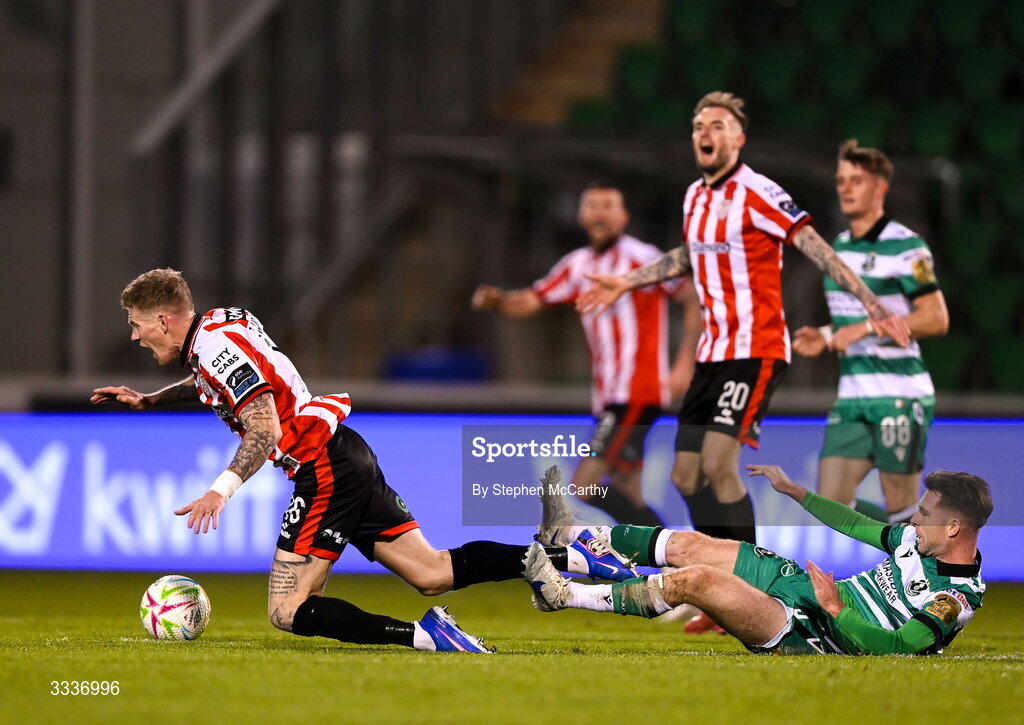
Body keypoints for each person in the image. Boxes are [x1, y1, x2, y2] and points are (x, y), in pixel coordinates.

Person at [91, 269, 638, 653]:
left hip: (322, 464)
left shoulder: (213, 348)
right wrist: (150, 399)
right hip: (345, 453)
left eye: (138, 324)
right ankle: (555, 557)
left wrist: (221, 489)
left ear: (164, 319)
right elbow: (216, 383)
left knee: (287, 609)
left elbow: (265, 426)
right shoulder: (219, 329)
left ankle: (424, 637)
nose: (135, 336)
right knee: (432, 573)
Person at [576, 92, 911, 632]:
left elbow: (812, 244)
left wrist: (872, 303)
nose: (705, 132)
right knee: (685, 475)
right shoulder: (693, 196)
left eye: (717, 124)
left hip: (755, 350)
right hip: (712, 352)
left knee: (716, 462)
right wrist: (627, 280)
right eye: (698, 125)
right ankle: (720, 581)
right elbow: (690, 254)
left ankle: (751, 587)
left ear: (738, 138)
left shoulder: (758, 191)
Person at [524, 463, 990, 656]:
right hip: (809, 591)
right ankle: (568, 535)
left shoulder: (954, 597)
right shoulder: (914, 538)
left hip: (816, 633)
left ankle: (564, 594)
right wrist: (798, 492)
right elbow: (852, 524)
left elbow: (899, 648)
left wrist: (835, 609)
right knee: (692, 545)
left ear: (953, 529)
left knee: (696, 581)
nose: (913, 519)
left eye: (925, 513)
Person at [473, 180, 701, 527]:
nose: (599, 212)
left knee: (584, 484)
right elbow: (533, 300)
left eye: (608, 206)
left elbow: (691, 297)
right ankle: (658, 564)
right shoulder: (576, 265)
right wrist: (500, 302)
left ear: (623, 217)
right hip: (609, 397)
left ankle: (673, 551)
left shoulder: (641, 257)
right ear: (581, 215)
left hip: (638, 391)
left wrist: (685, 363)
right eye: (592, 205)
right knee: (627, 488)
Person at [793, 140, 948, 523]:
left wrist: (862, 329)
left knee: (900, 503)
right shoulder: (839, 248)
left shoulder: (907, 247)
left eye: (856, 180)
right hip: (852, 397)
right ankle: (904, 541)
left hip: (898, 393)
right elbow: (849, 320)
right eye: (841, 180)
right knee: (829, 504)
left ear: (880, 188)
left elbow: (936, 318)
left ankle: (921, 576)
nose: (845, 188)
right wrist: (828, 337)